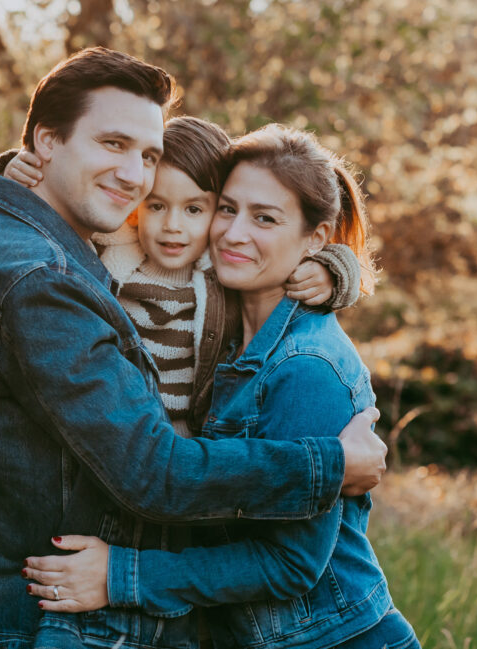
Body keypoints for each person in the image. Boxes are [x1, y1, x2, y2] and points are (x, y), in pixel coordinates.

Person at [0, 47, 388, 649]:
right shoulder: (41, 277)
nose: (136, 176)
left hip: (76, 610)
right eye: (113, 144)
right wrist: (329, 465)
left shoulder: (49, 244)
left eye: (148, 155)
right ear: (47, 142)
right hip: (32, 619)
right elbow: (153, 471)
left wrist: (335, 267)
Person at [22, 125, 421, 649]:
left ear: (316, 239)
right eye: (227, 209)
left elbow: (289, 563)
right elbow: (131, 176)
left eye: (265, 218)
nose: (233, 233)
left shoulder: (306, 366)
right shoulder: (221, 325)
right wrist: (25, 167)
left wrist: (120, 575)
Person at [0, 115, 363, 436]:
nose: (173, 226)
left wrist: (335, 269)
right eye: (229, 210)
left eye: (195, 210)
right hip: (113, 432)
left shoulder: (221, 272)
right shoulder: (121, 244)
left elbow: (306, 252)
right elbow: (68, 203)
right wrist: (21, 168)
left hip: (175, 450)